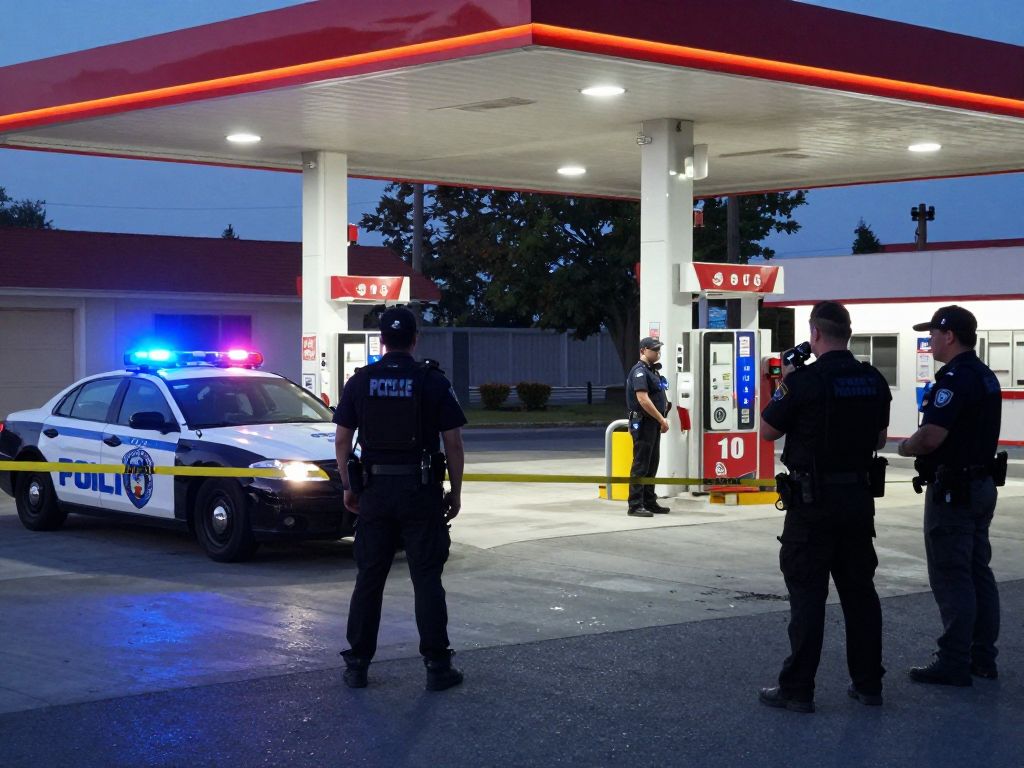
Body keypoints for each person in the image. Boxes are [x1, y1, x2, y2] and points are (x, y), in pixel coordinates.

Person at [757, 301, 891, 713]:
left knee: (808, 596)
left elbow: (766, 430)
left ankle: (798, 689)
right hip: (856, 502)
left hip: (812, 506)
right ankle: (868, 684)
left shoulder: (805, 381)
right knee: (860, 595)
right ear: (847, 333)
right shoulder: (872, 378)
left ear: (815, 333)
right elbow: (881, 439)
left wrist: (789, 383)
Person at [333, 305, 467, 691]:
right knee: (426, 578)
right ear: (414, 339)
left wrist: (348, 486)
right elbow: (453, 443)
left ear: (381, 340)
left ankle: (357, 664)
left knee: (369, 578)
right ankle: (437, 667)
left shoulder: (360, 381)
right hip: (419, 493)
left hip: (374, 493)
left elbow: (342, 440)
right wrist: (455, 493)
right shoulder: (432, 381)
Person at [897, 305, 1002, 686]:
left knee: (952, 574)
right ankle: (982, 658)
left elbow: (931, 437)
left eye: (932, 335)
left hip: (954, 491)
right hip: (980, 486)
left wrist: (905, 447)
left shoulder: (955, 379)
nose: (929, 342)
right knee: (977, 570)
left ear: (950, 336)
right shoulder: (984, 375)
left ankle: (954, 660)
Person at [625, 337, 671, 517]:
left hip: (652, 423)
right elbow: (643, 399)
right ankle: (635, 505)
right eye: (654, 349)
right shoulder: (639, 371)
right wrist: (661, 419)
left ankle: (649, 501)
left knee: (652, 463)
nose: (658, 352)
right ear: (643, 350)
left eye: (659, 349)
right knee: (641, 464)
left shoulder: (652, 371)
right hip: (644, 422)